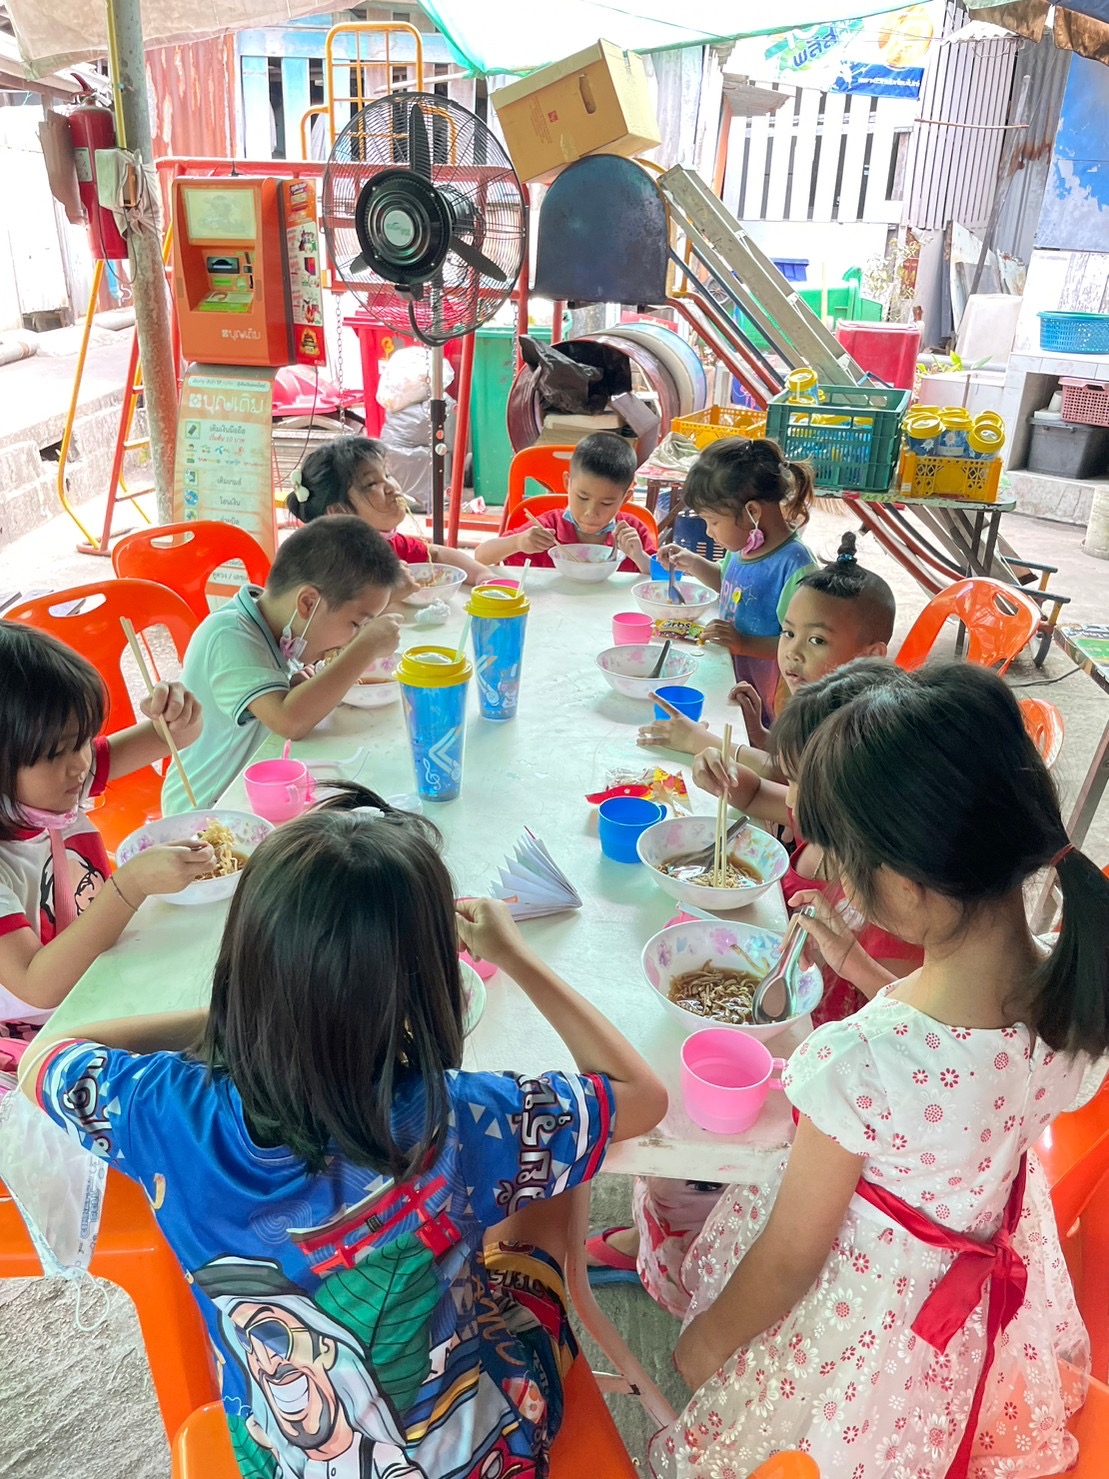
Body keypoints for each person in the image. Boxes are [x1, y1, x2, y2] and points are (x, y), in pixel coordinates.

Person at [24, 785, 668, 1479]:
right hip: (479, 1459)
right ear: (421, 986)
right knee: (549, 1193)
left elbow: (44, 1057)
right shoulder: (459, 1116)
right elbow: (642, 1096)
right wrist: (516, 956)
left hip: (281, 1462)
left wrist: (249, 1016)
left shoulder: (162, 1109)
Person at [649, 664, 1109, 1478]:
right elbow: (960, 1063)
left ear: (904, 884)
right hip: (962, 1327)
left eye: (842, 854)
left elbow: (788, 1259)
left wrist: (704, 1346)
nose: (827, 866)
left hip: (864, 1331)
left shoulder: (855, 1061)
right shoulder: (1069, 988)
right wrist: (862, 968)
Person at [590, 661, 921, 1290]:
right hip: (787, 1034)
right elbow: (761, 796)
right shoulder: (833, 827)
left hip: (829, 1080)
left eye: (801, 787)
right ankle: (658, 1241)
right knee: (672, 1112)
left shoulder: (900, 907)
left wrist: (847, 958)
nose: (788, 800)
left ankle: (688, 1271)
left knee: (696, 1152)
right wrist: (730, 777)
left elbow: (903, 1016)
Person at [0, 623, 215, 1058]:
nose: (81, 765)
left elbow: (177, 737)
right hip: (43, 1038)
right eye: (57, 752)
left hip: (104, 976)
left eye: (82, 741)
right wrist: (130, 885)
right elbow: (37, 985)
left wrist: (178, 713)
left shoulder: (49, 784)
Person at [163, 517, 403, 814]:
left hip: (258, 794)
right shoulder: (228, 636)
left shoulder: (279, 629)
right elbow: (290, 721)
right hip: (206, 811)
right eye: (356, 624)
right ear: (308, 603)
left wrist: (296, 687)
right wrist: (365, 647)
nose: (354, 637)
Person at [639, 530, 894, 759]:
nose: (792, 652)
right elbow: (787, 762)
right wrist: (759, 734)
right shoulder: (815, 703)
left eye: (816, 640)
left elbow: (783, 782)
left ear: (870, 656)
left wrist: (698, 740)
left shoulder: (854, 731)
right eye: (788, 632)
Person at [659, 438, 817, 727]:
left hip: (771, 693)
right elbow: (730, 585)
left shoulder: (795, 568)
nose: (709, 533)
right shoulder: (743, 546)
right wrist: (692, 562)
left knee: (757, 738)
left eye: (713, 522)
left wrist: (743, 643)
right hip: (734, 674)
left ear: (752, 512)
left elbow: (799, 647)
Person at [286, 434, 486, 592]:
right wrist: (392, 590)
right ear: (339, 512)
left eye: (387, 475)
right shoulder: (332, 558)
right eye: (371, 483)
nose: (391, 487)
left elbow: (435, 553)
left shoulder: (388, 542)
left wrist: (483, 576)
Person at [475, 432, 656, 574]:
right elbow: (481, 557)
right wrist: (517, 542)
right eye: (582, 498)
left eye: (606, 503)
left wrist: (639, 557)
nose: (591, 512)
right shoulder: (548, 527)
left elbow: (661, 579)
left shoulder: (632, 533)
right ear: (567, 483)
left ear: (625, 499)